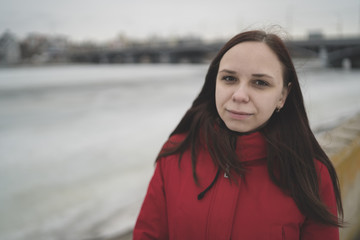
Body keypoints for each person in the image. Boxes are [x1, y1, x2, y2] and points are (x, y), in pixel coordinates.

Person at [133, 30, 343, 239]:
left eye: (260, 83)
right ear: (214, 83)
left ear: (282, 96)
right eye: (229, 78)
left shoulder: (311, 175)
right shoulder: (175, 154)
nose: (240, 95)